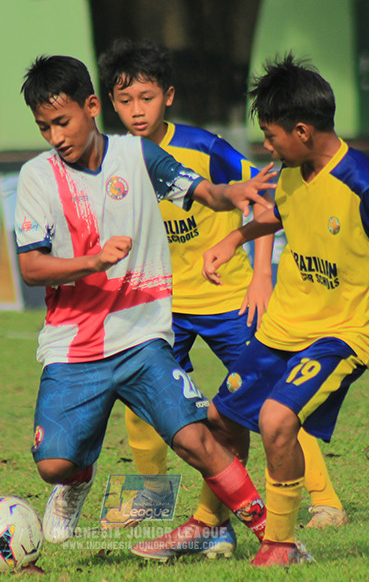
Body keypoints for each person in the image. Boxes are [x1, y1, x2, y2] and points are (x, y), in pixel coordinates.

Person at [136, 56, 369, 567]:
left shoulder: (359, 182)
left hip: (345, 333)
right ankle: (209, 527)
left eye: (271, 136)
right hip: (285, 324)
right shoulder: (293, 170)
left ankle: (282, 545)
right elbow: (277, 213)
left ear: (302, 130)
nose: (266, 147)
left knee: (276, 420)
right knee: (221, 417)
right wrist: (234, 238)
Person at [13, 54, 278, 553]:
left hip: (141, 336)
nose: (55, 137)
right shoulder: (36, 177)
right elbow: (31, 268)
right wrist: (92, 261)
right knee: (54, 464)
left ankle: (275, 537)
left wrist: (233, 191)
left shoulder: (138, 157)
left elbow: (205, 192)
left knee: (195, 441)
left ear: (91, 107)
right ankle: (78, 478)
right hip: (73, 344)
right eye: (44, 127)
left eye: (62, 122)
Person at [97, 40, 345, 546]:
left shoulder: (203, 148)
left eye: (146, 97)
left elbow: (264, 195)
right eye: (125, 101)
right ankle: (153, 496)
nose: (136, 110)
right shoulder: (112, 160)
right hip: (160, 308)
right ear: (109, 103)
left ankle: (325, 501)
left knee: (273, 398)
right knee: (140, 398)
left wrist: (260, 276)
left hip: (228, 300)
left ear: (168, 96)